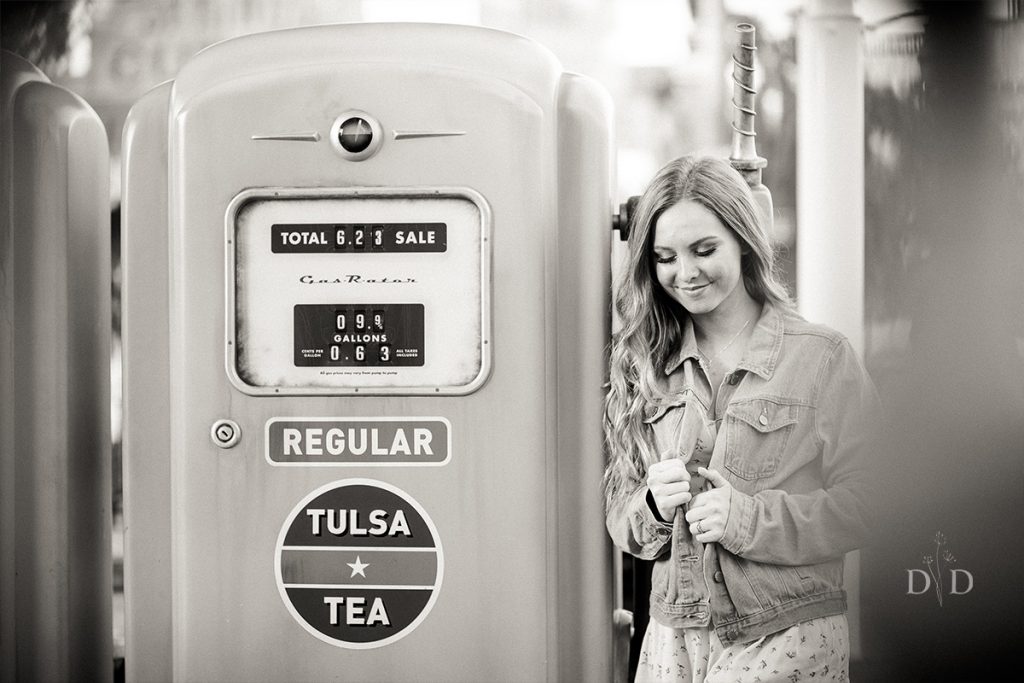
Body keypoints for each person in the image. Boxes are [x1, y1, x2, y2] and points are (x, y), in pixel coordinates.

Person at [604, 156, 881, 682]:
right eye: (664, 257)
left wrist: (747, 520)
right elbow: (623, 522)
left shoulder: (821, 357)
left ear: (745, 240)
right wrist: (653, 509)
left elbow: (873, 503)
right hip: (672, 639)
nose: (684, 273)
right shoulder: (645, 364)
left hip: (786, 632)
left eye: (703, 250)